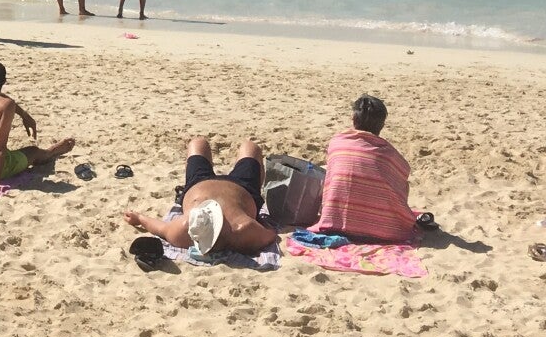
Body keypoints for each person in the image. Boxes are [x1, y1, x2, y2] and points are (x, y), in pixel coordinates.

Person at [124, 136, 278, 256]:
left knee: (198, 143)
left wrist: (139, 218)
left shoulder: (184, 229)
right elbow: (270, 234)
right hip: (242, 187)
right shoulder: (243, 229)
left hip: (199, 184)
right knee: (250, 147)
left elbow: (161, 228)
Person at [314, 96, 419, 243]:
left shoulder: (337, 142)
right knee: (400, 182)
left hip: (334, 224)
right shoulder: (388, 153)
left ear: (354, 120)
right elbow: (404, 172)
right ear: (382, 125)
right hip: (383, 231)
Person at [0, 59, 74, 191]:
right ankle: (51, 152)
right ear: (4, 81)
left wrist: (23, 114)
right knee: (33, 151)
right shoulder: (6, 106)